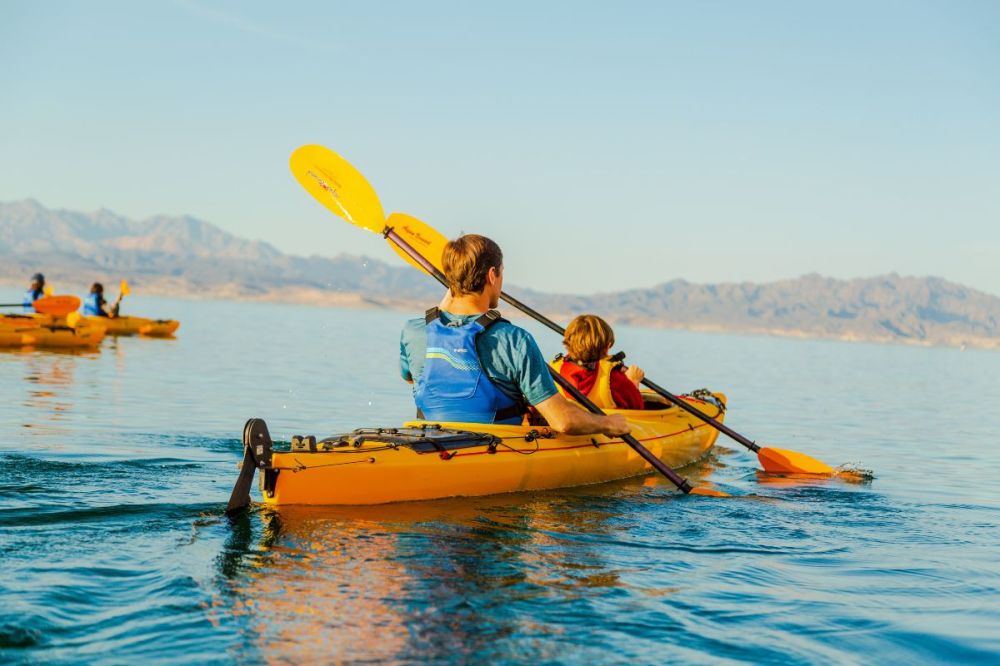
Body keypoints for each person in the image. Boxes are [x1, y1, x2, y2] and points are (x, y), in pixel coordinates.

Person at [399, 234, 629, 436]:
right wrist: (608, 424)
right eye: (501, 273)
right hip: (495, 449)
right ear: (492, 275)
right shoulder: (514, 339)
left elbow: (414, 377)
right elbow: (563, 421)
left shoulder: (414, 330)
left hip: (427, 440)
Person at [551, 314, 646, 410]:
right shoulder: (615, 379)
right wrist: (633, 381)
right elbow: (638, 408)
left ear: (568, 343)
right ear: (607, 347)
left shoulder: (551, 371)